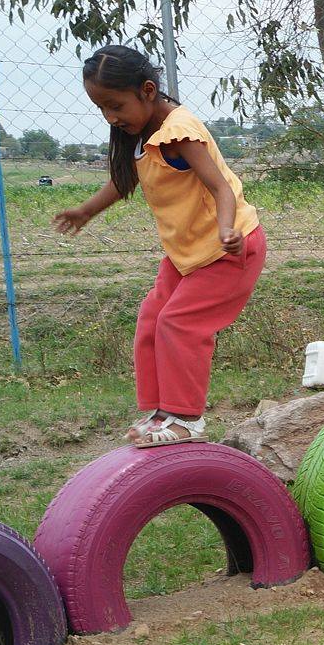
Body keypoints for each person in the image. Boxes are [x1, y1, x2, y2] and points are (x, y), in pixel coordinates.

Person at [52, 45, 265, 446]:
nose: (110, 117)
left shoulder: (179, 131)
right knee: (152, 317)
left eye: (115, 105)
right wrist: (85, 211)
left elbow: (221, 186)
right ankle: (162, 412)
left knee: (179, 323)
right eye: (101, 108)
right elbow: (124, 181)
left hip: (229, 248)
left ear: (148, 90)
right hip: (188, 253)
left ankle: (187, 419)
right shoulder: (141, 135)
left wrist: (226, 230)